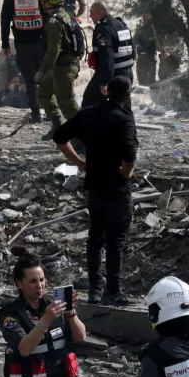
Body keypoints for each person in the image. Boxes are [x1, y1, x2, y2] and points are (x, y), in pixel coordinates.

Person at [53, 74, 137, 302]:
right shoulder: (124, 119)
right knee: (115, 240)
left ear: (106, 92)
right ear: (127, 96)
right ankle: (114, 291)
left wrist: (79, 162)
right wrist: (126, 173)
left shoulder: (89, 113)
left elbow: (59, 137)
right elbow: (130, 155)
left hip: (95, 186)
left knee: (96, 238)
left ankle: (95, 291)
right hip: (117, 188)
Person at [37, 0, 81, 131]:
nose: (41, 4)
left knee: (67, 103)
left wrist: (42, 70)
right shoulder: (66, 15)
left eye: (43, 1)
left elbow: (53, 51)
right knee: (45, 91)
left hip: (62, 67)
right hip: (65, 64)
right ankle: (57, 125)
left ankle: (82, 135)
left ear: (49, 3)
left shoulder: (53, 23)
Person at [0, 0, 47, 121]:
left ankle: (36, 114)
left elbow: (4, 21)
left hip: (22, 46)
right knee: (46, 80)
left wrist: (5, 44)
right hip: (41, 46)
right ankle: (51, 112)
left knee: (30, 81)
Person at [80, 0, 132, 108]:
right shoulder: (121, 24)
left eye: (91, 13)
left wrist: (104, 82)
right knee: (123, 107)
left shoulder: (103, 29)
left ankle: (92, 125)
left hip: (111, 75)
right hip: (127, 74)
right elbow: (132, 51)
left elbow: (107, 58)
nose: (90, 16)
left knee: (89, 103)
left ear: (99, 12)